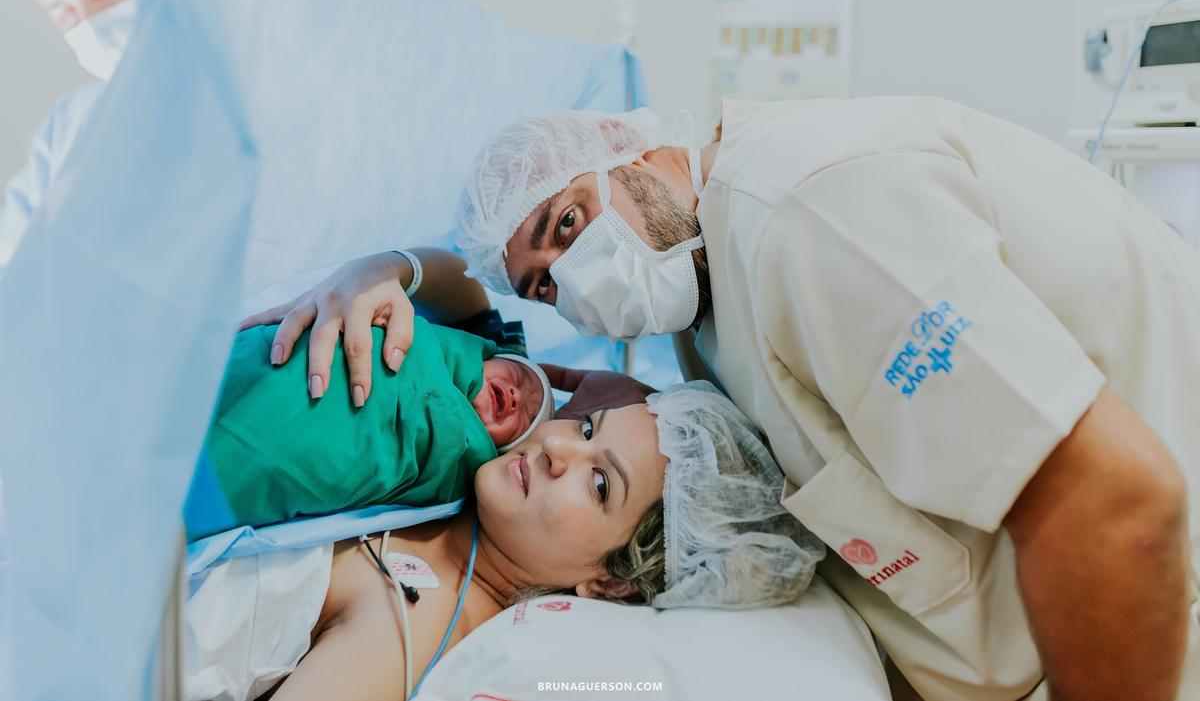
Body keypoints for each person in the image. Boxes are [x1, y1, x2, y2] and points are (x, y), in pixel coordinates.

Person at [260, 98, 1199, 701]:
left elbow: (1117, 511)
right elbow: (472, 283)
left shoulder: (808, 218)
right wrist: (380, 267)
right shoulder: (696, 311)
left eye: (568, 224)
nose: (577, 280)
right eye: (546, 286)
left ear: (630, 142)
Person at [185, 380, 824, 701]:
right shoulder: (482, 443)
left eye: (600, 483)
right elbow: (464, 287)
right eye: (586, 424)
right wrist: (389, 270)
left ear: (611, 581)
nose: (557, 446)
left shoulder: (410, 626)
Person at [191, 249, 555, 540]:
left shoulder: (468, 486)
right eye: (520, 376)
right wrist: (387, 267)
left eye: (527, 416)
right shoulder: (456, 345)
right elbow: (461, 278)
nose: (516, 395)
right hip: (266, 362)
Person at [1, 0, 140, 274]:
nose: (89, 19)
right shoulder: (70, 122)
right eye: (62, 11)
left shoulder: (253, 80)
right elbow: (15, 255)